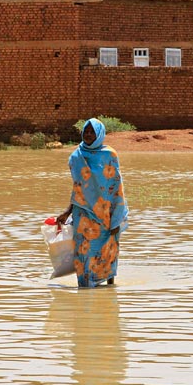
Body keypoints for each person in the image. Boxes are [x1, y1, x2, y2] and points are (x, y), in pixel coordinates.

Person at [57, 118, 128, 287]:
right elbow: (78, 188)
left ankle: (110, 287)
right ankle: (85, 287)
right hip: (83, 213)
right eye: (86, 132)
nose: (88, 135)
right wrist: (67, 212)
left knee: (108, 250)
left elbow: (116, 186)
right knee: (84, 252)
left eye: (92, 132)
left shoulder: (109, 155)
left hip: (107, 213)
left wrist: (117, 217)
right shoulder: (76, 156)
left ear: (99, 134)